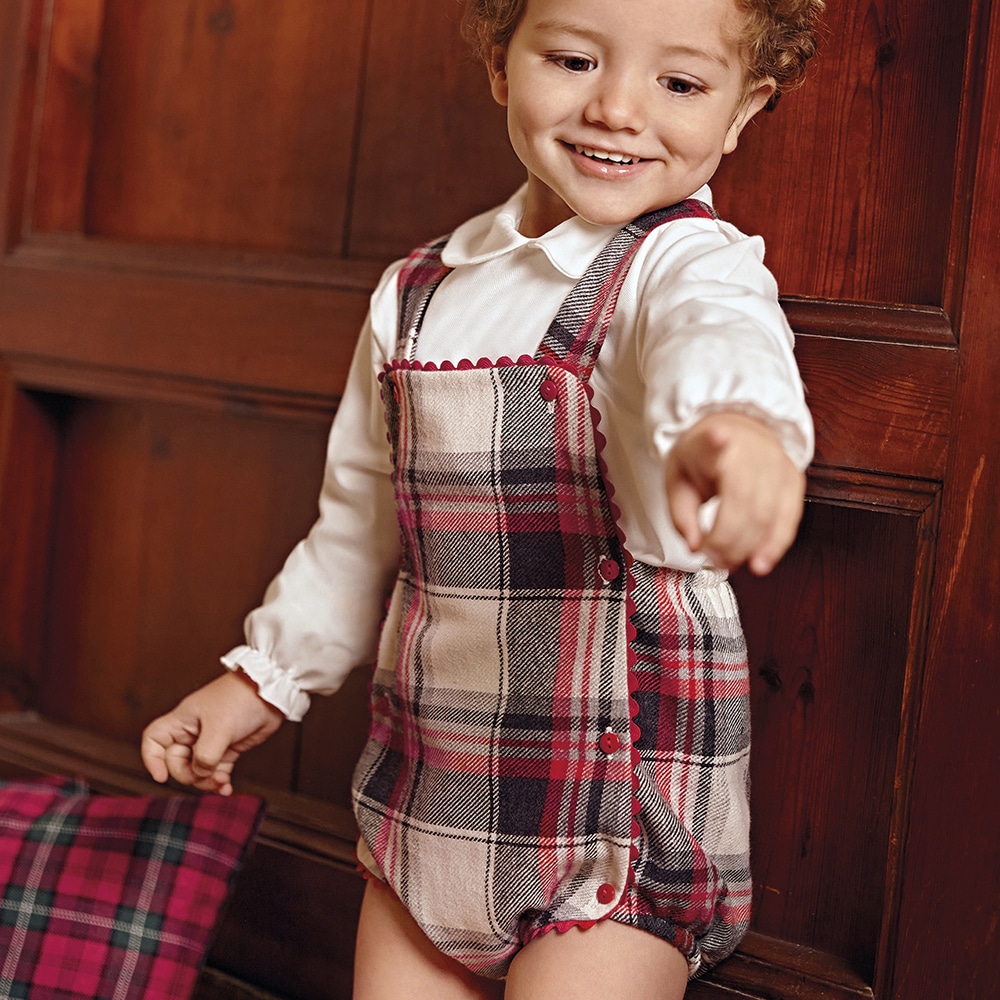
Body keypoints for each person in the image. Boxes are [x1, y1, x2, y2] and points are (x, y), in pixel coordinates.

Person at [142, 0, 824, 996]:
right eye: (574, 60)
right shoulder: (415, 293)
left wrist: (741, 430)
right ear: (501, 60)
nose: (618, 108)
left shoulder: (684, 263)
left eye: (679, 82)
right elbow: (358, 526)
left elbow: (716, 335)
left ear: (742, 110)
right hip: (433, 792)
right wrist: (262, 680)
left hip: (618, 809)